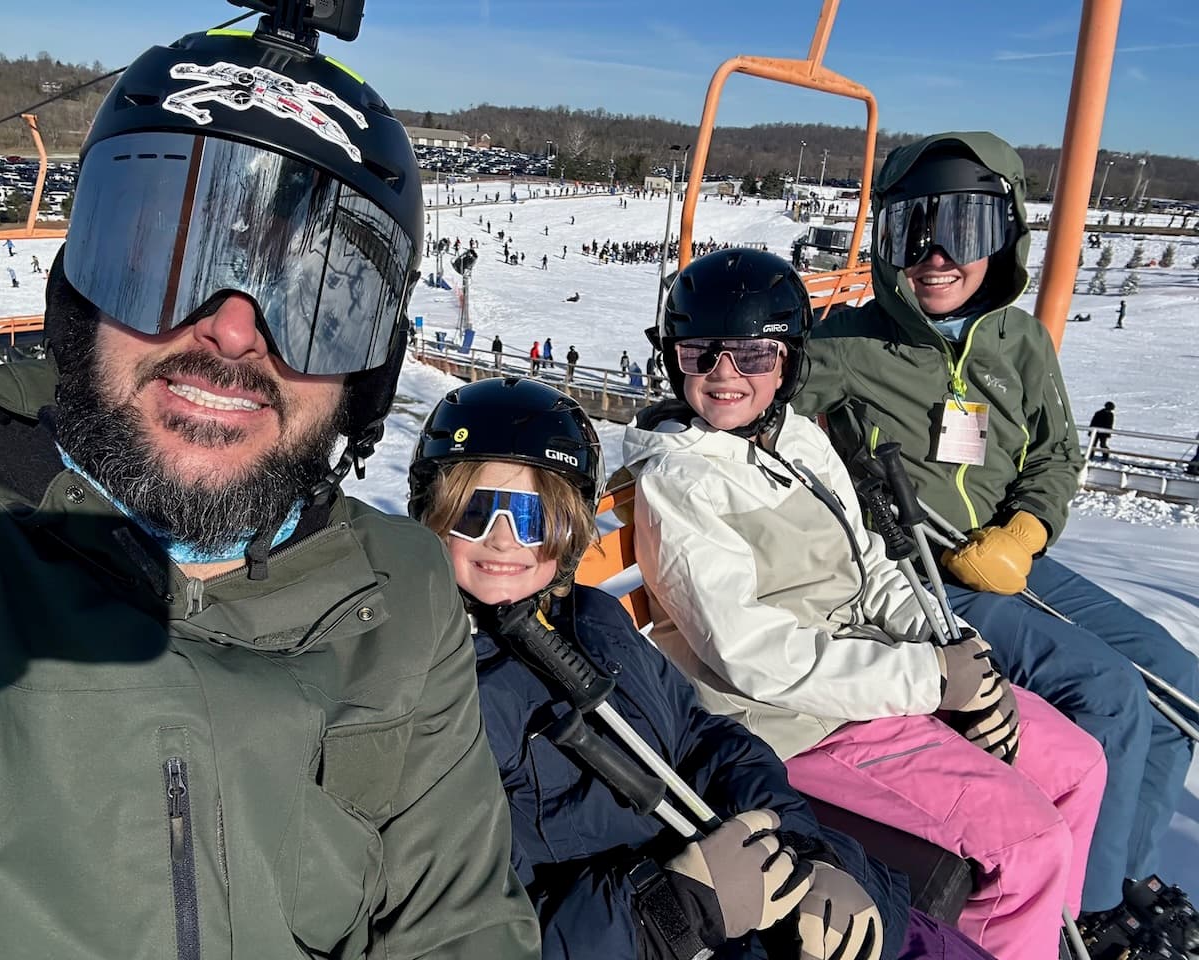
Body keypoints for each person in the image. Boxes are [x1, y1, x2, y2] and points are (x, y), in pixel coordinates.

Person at [0, 25, 539, 960]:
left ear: (367, 373)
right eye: (164, 259)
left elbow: (461, 924)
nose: (234, 331)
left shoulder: (401, 591)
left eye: (316, 298)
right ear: (79, 295)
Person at [408, 376, 997, 960]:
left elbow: (707, 737)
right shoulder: (436, 695)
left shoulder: (590, 620)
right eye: (476, 513)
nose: (505, 541)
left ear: (571, 529)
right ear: (428, 516)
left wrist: (812, 852)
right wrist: (675, 908)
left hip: (761, 886)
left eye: (536, 518)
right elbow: (481, 929)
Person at [624, 248, 1106, 960]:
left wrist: (956, 651)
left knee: (1078, 765)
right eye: (702, 354)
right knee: (1026, 842)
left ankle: (1045, 936)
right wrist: (931, 681)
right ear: (674, 360)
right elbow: (753, 655)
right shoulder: (681, 482)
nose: (726, 376)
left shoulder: (798, 442)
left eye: (754, 355)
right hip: (793, 720)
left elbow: (871, 569)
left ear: (787, 362)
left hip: (868, 675)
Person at [796, 131, 1199, 952]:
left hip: (1014, 560)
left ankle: (1112, 876)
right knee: (1111, 695)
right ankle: (1082, 920)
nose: (937, 257)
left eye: (966, 232)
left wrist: (1027, 527)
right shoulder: (843, 347)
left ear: (1004, 237)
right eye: (914, 232)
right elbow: (745, 392)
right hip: (927, 576)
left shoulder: (1019, 343)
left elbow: (1056, 453)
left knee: (1177, 689)